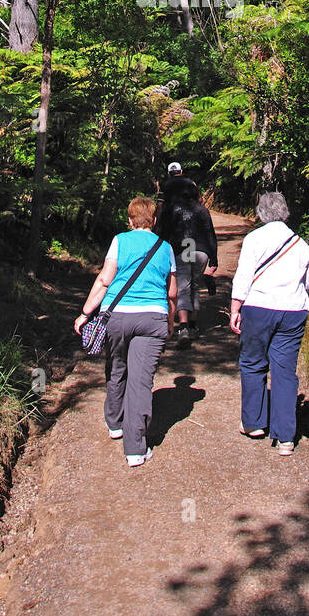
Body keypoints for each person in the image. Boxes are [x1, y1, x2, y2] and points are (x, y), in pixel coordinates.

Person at [74, 197, 177, 467]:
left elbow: (105, 280)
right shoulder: (166, 248)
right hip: (153, 317)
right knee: (141, 382)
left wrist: (85, 313)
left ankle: (115, 423)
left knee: (117, 367)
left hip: (117, 316)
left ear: (130, 220)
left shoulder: (119, 241)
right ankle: (135, 449)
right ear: (154, 221)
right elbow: (172, 292)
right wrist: (171, 321)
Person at [229, 192, 309, 455]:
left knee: (253, 363)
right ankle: (285, 437)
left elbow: (244, 275)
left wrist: (235, 307)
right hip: (293, 311)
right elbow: (306, 284)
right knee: (284, 371)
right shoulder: (302, 245)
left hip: (259, 307)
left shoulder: (254, 238)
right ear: (285, 212)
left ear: (261, 213)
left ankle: (254, 422)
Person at [158, 190, 219, 348]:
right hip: (201, 252)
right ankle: (193, 325)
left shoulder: (173, 209)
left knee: (183, 287)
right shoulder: (202, 210)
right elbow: (210, 234)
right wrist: (214, 259)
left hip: (184, 249)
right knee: (195, 286)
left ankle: (183, 327)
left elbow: (165, 232)